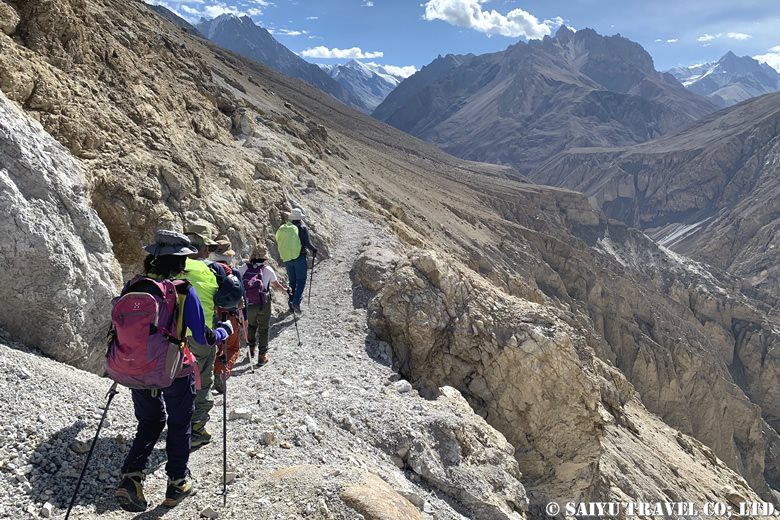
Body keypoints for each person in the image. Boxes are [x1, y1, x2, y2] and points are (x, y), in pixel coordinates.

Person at [116, 230, 232, 512]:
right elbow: (202, 335)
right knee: (179, 424)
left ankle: (131, 478)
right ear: (179, 263)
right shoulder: (182, 290)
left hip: (138, 368)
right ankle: (177, 482)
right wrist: (223, 331)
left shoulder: (132, 287)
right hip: (174, 369)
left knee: (150, 423)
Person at [179, 221, 225, 449]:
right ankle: (196, 428)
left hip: (170, 336)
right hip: (201, 336)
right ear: (204, 248)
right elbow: (226, 300)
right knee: (202, 382)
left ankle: (177, 421)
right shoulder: (209, 271)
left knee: (175, 378)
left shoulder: (172, 265)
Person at [239, 244, 290, 366]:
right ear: (265, 258)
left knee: (251, 326)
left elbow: (239, 283)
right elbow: (276, 285)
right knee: (264, 329)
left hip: (248, 303)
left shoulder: (244, 268)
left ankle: (251, 349)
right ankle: (262, 356)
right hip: (263, 303)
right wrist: (286, 290)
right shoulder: (268, 270)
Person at [210, 237, 245, 393]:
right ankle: (221, 372)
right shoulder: (233, 271)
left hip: (209, 315)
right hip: (228, 315)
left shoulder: (207, 268)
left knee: (211, 347)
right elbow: (241, 300)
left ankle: (203, 378)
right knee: (232, 347)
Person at [275, 208, 317, 315]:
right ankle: (296, 302)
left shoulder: (286, 228)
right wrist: (314, 250)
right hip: (300, 258)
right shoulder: (302, 228)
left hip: (288, 258)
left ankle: (290, 304)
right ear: (299, 218)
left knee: (292, 282)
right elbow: (307, 243)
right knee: (301, 281)